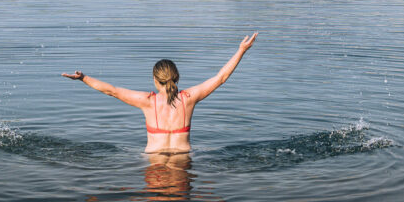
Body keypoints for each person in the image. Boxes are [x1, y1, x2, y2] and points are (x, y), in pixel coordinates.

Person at [62, 33, 258, 154]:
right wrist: (241, 50)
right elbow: (221, 77)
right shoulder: (188, 99)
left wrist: (83, 78)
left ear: (155, 80)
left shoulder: (147, 102)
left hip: (153, 162)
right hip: (184, 162)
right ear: (177, 77)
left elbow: (111, 91)